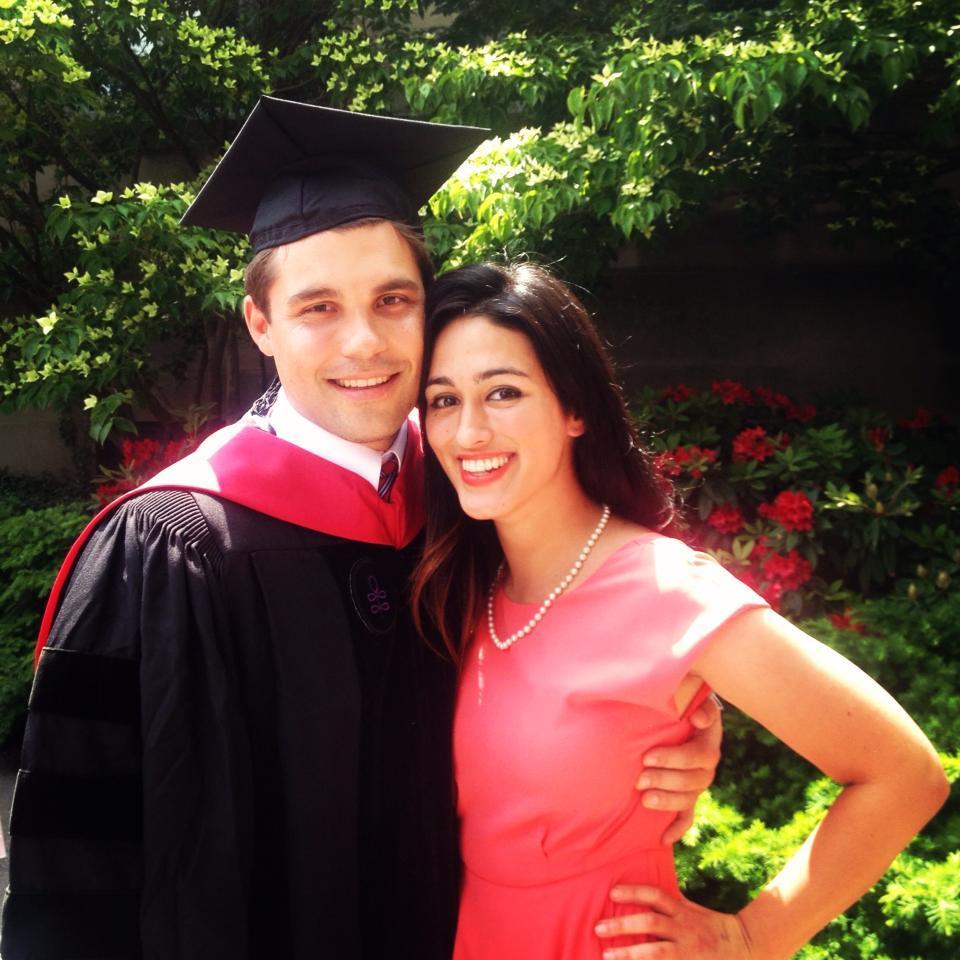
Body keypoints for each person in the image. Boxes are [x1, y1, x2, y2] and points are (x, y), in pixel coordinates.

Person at [1, 98, 720, 960]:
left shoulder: (468, 501)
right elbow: (78, 859)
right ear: (260, 324)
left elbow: (583, 648)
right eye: (317, 308)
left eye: (393, 299)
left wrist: (680, 724)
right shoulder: (175, 546)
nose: (365, 342)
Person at [412, 261, 949, 960]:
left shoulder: (665, 591)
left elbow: (904, 774)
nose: (468, 432)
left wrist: (751, 937)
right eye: (443, 400)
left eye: (503, 392)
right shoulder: (455, 580)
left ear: (576, 409)